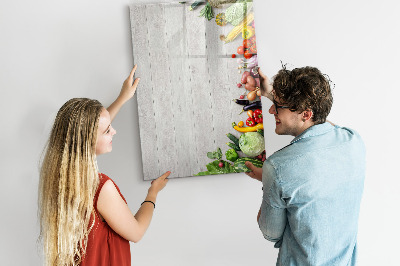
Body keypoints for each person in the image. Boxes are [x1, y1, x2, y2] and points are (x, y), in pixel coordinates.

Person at [38, 65, 170, 266]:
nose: (114, 132)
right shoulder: (100, 188)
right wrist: (153, 193)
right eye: (108, 131)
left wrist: (122, 98)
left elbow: (90, 130)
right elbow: (136, 232)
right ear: (88, 140)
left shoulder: (60, 176)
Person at [245, 66, 366, 265]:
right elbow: (322, 125)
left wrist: (269, 181)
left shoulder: (277, 167)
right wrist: (271, 95)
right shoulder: (353, 141)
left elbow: (270, 233)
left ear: (306, 114)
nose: (271, 110)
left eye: (278, 106)